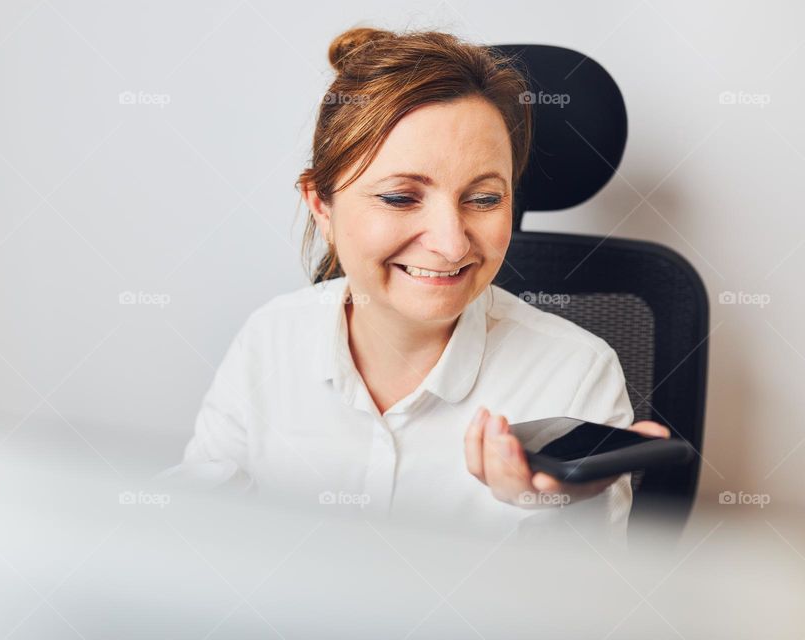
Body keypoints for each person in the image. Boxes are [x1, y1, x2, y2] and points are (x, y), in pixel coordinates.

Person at [161, 27, 670, 543]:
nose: (451, 245)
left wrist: (563, 511)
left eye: (485, 199)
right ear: (321, 205)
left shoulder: (576, 373)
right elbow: (190, 536)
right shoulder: (270, 338)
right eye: (401, 198)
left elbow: (582, 611)